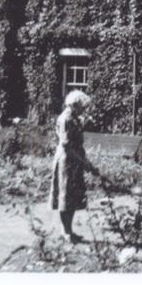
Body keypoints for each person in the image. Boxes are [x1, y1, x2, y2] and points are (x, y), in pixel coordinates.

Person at [49, 90, 99, 243]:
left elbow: (77, 145)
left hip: (75, 161)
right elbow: (67, 146)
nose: (84, 109)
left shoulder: (74, 119)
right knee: (65, 196)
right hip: (66, 162)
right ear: (75, 105)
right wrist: (85, 164)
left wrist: (86, 164)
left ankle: (69, 231)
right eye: (82, 106)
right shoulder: (65, 119)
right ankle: (65, 232)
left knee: (72, 197)